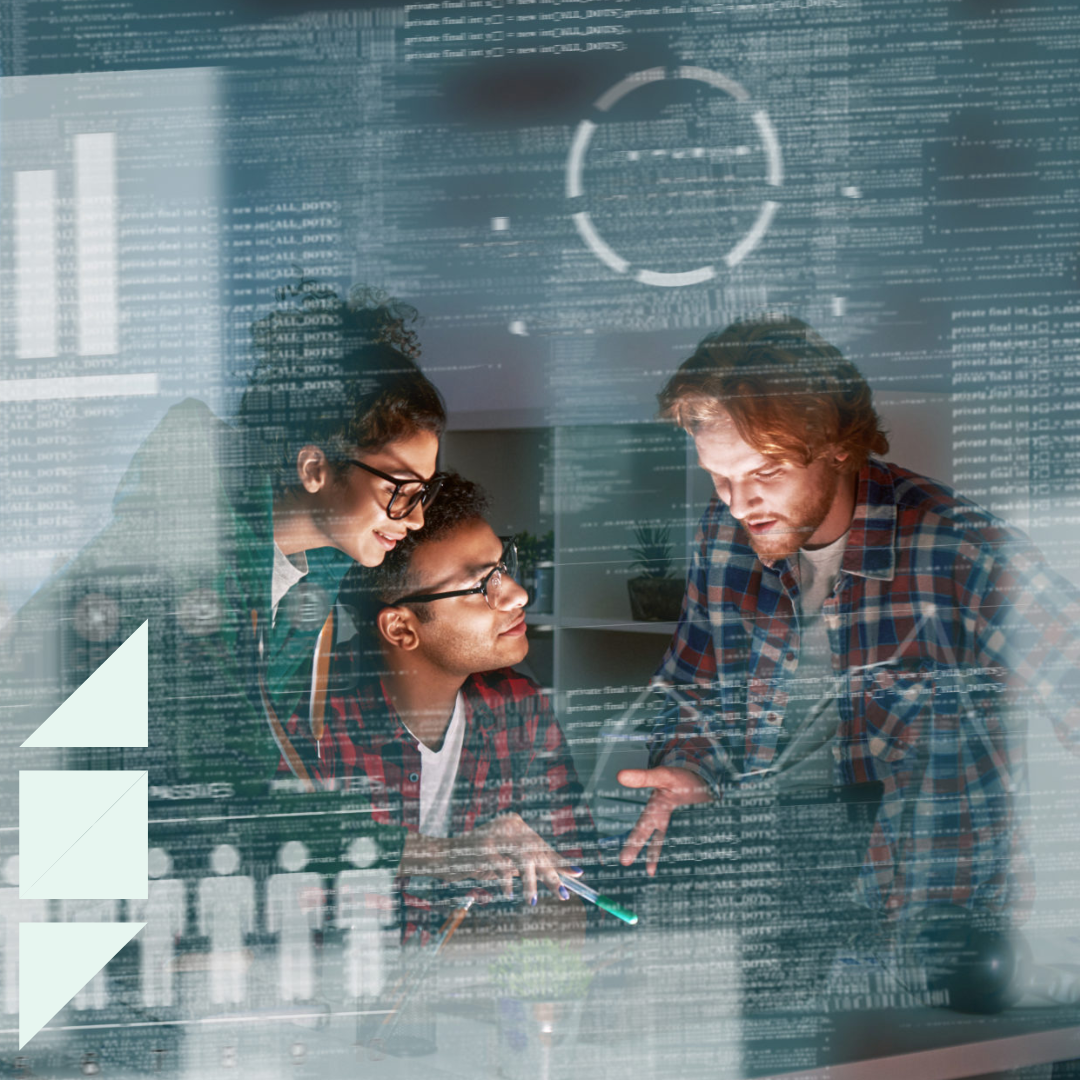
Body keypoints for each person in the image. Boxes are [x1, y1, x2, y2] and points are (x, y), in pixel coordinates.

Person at [616, 316, 1080, 1006]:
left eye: (765, 473)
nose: (739, 504)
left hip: (939, 943)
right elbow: (695, 688)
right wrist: (688, 762)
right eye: (719, 478)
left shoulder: (959, 547)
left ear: (835, 445)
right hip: (782, 926)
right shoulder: (722, 540)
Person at [1, 278, 447, 880]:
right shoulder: (186, 558)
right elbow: (231, 780)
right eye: (400, 492)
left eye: (425, 494)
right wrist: (427, 856)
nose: (415, 518)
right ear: (314, 468)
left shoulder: (307, 575)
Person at [280, 472, 597, 935]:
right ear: (401, 629)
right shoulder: (315, 722)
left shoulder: (517, 706)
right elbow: (284, 879)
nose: (517, 594)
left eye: (503, 568)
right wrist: (440, 859)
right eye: (479, 586)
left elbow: (571, 884)